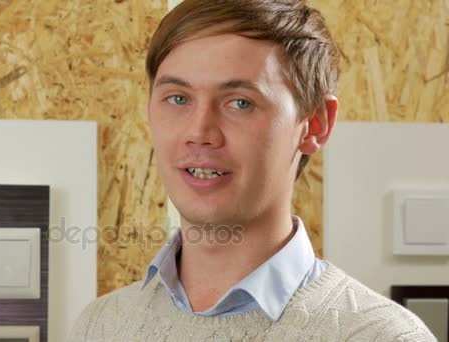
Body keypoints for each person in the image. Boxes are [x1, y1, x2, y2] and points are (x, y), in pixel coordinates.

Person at [68, 0, 436, 340]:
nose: (200, 133)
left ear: (316, 124)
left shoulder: (380, 336)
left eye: (240, 102)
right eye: (178, 98)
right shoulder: (99, 325)